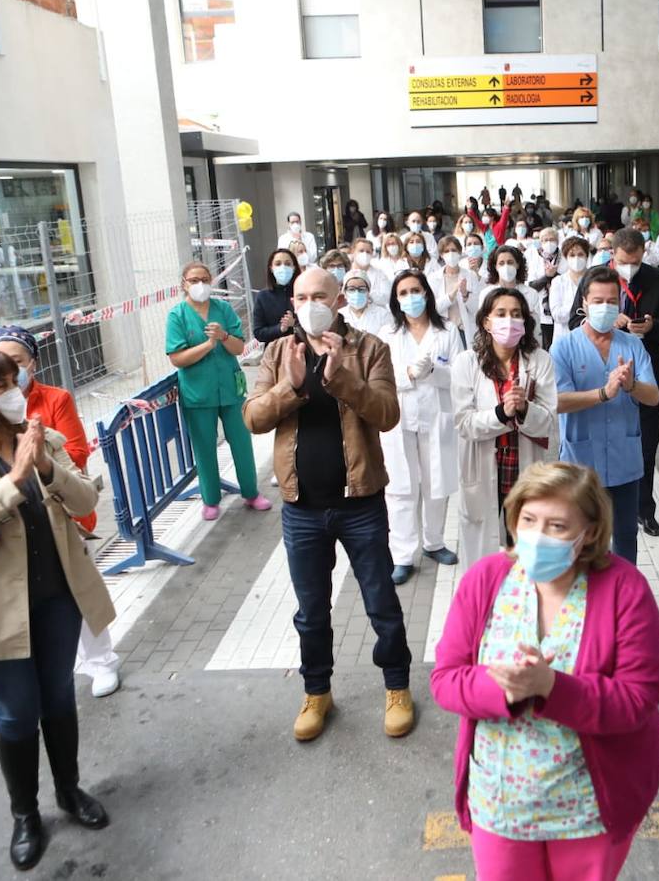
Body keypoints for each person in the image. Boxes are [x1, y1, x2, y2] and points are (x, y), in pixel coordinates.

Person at [429, 461, 659, 881]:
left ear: (588, 532)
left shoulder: (625, 589)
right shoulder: (485, 579)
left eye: (557, 526)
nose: (538, 536)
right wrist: (503, 689)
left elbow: (637, 699)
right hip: (500, 806)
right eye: (529, 520)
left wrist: (552, 687)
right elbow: (445, 679)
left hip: (588, 810)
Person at [0, 347, 114, 870]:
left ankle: (70, 791)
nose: (16, 390)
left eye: (16, 379)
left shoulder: (39, 436)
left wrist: (46, 466)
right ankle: (25, 815)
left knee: (59, 698)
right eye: (1, 385)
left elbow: (85, 503)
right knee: (16, 714)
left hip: (57, 598)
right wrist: (13, 481)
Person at [242, 265, 416, 741]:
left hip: (361, 503)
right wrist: (292, 386)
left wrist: (341, 380)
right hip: (301, 509)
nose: (309, 305)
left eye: (319, 296)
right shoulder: (278, 352)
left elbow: (387, 414)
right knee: (311, 611)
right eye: (301, 297)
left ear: (339, 299)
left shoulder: (369, 348)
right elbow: (253, 418)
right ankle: (317, 691)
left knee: (381, 602)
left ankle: (397, 686)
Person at [0, 326, 119, 699]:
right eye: (0, 363)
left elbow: (76, 452)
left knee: (79, 591)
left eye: (17, 362)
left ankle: (102, 661)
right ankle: (62, 664)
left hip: (63, 514)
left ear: (32, 363)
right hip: (13, 525)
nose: (9, 371)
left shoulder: (56, 399)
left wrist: (40, 463)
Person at [567, 228, 659, 538]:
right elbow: (574, 320)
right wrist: (606, 320)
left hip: (645, 369)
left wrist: (653, 327)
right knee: (600, 441)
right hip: (599, 372)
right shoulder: (596, 278)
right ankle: (596, 508)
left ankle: (644, 509)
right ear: (612, 256)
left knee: (646, 444)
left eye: (635, 262)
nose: (629, 268)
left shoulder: (657, 280)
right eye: (623, 262)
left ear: (644, 254)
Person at [552, 267, 659, 562]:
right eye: (598, 301)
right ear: (584, 303)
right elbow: (558, 401)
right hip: (581, 460)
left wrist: (631, 385)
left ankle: (623, 590)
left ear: (620, 304)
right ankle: (582, 590)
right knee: (579, 537)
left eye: (612, 301)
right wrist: (603, 393)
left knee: (625, 535)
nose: (605, 307)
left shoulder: (633, 345)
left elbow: (653, 397)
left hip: (624, 458)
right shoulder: (564, 347)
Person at [450, 289, 558, 563]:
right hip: (482, 468)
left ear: (525, 322)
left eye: (516, 314)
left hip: (522, 468)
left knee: (524, 550)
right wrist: (501, 413)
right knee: (481, 556)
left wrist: (524, 409)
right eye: (501, 313)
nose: (509, 321)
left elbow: (548, 421)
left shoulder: (539, 360)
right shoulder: (467, 363)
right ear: (486, 321)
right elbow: (464, 423)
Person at [165, 261, 271, 521]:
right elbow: (177, 358)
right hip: (198, 393)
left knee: (242, 441)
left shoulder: (223, 309)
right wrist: (207, 345)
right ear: (184, 284)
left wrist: (223, 336)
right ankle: (210, 500)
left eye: (204, 279)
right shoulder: (177, 316)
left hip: (230, 389)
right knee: (204, 447)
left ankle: (251, 492)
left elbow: (238, 348)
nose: (200, 284)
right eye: (194, 280)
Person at [377, 270, 461, 584]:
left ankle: (434, 542)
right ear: (396, 300)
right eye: (403, 293)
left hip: (437, 417)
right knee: (401, 488)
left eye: (416, 290)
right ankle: (402, 555)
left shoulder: (447, 331)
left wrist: (433, 373)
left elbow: (460, 376)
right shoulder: (388, 333)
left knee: (436, 482)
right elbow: (381, 377)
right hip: (399, 420)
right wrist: (410, 374)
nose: (411, 297)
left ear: (426, 293)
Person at [481, 244, 544, 341]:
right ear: (495, 266)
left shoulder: (531, 294)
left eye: (510, 262)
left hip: (525, 343)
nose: (506, 267)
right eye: (501, 263)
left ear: (517, 264)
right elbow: (484, 326)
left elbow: (536, 329)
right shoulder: (486, 294)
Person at [430, 234, 482, 346]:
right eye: (446, 251)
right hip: (444, 331)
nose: (451, 254)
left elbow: (476, 309)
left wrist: (465, 295)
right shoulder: (434, 278)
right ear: (441, 255)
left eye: (454, 250)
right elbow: (432, 308)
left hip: (464, 331)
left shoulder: (471, 275)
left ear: (459, 252)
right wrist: (450, 296)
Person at [526, 227, 562, 349]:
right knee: (545, 346)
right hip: (542, 311)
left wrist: (555, 275)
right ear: (541, 242)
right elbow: (531, 286)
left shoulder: (563, 258)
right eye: (545, 240)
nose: (549, 242)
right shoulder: (535, 258)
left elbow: (567, 279)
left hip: (560, 308)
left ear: (557, 241)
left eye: (552, 239)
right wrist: (547, 276)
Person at [253, 249, 298, 345]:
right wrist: (280, 328)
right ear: (271, 268)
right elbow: (258, 332)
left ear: (294, 267)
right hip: (275, 350)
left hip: (302, 348)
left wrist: (295, 323)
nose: (283, 267)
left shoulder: (302, 292)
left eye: (287, 264)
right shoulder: (263, 296)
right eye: (278, 264)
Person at [338, 267, 393, 336]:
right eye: (351, 289)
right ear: (344, 293)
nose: (357, 293)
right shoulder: (339, 315)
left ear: (368, 292)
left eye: (362, 289)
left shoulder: (383, 315)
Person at [350, 237, 393, 308]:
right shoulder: (347, 272)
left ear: (372, 253)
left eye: (368, 252)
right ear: (353, 251)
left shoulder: (380, 274)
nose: (365, 254)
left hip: (377, 313)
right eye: (361, 251)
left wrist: (367, 294)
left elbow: (386, 297)